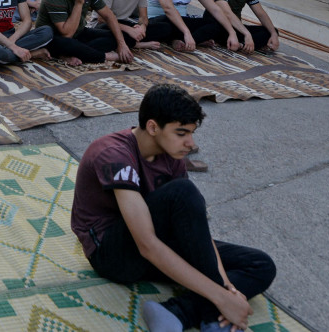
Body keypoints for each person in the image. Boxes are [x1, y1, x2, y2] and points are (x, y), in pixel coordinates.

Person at [72, 83, 276, 332]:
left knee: (261, 265)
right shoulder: (113, 153)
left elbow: (195, 225)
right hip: (113, 254)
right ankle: (213, 314)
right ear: (153, 127)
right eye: (181, 133)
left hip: (157, 242)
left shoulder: (172, 156)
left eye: (191, 133)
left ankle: (177, 312)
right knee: (183, 192)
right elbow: (146, 244)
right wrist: (222, 296)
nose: (190, 143)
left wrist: (225, 287)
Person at [36, 0, 132, 66]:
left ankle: (78, 53)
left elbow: (109, 16)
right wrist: (78, 4)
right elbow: (67, 33)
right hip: (54, 37)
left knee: (123, 36)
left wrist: (121, 44)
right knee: (69, 44)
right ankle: (105, 56)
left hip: (78, 33)